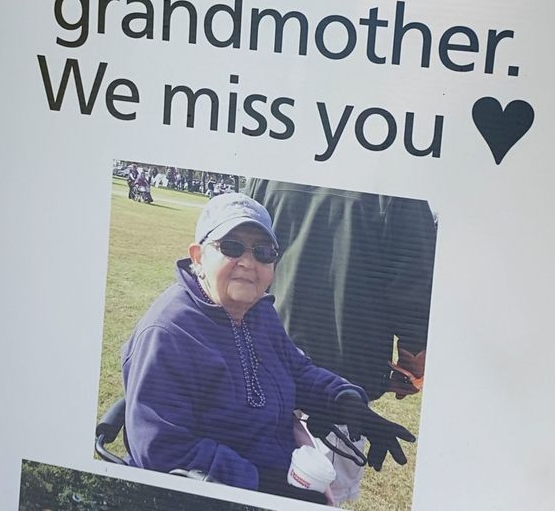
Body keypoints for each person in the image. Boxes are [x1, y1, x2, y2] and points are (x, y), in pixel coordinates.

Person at [120, 193, 415, 502]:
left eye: (263, 252)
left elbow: (297, 371)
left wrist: (345, 400)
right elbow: (162, 449)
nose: (248, 263)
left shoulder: (258, 311)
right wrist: (263, 485)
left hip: (279, 470)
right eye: (232, 247)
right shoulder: (169, 333)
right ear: (198, 256)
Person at [244, 180, 436, 503]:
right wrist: (411, 364)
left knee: (262, 488)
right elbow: (415, 282)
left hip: (268, 369)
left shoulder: (273, 167)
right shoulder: (395, 180)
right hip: (335, 379)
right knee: (320, 496)